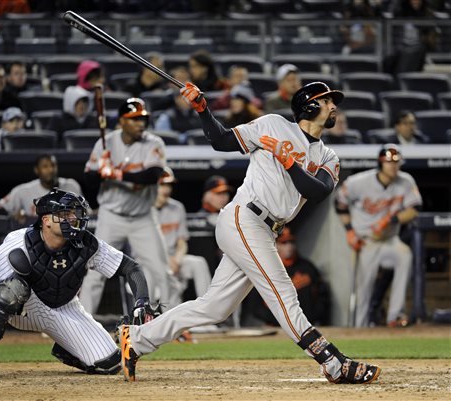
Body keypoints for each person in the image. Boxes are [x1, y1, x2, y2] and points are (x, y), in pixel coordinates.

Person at [117, 80, 381, 384]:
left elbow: (317, 190)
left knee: (214, 308)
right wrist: (203, 108)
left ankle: (137, 339)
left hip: (266, 230)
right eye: (327, 101)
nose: (334, 106)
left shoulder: (327, 156)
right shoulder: (273, 124)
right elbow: (222, 140)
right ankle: (333, 362)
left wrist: (290, 163)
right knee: (284, 293)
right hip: (245, 217)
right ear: (309, 106)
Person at [0, 188, 154, 377]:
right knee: (11, 289)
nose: (72, 218)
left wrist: (142, 300)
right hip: (27, 305)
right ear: (46, 220)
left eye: (75, 213)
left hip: (66, 307)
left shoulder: (87, 243)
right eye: (65, 214)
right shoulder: (21, 239)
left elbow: (131, 268)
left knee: (110, 363)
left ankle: (66, 345)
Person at [80, 97, 171, 315]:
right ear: (122, 121)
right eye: (135, 119)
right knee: (95, 271)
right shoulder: (106, 143)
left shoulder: (154, 143)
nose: (141, 123)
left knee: (161, 271)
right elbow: (88, 180)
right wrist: (100, 172)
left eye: (143, 119)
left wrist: (117, 173)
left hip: (143, 217)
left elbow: (153, 175)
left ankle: (172, 322)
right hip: (111, 216)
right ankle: (79, 324)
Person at [335, 144, 422, 328]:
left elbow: (415, 209)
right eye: (389, 163)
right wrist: (350, 231)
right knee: (363, 289)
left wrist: (390, 220)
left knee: (404, 255)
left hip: (389, 240)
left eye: (396, 163)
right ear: (380, 163)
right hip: (365, 241)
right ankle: (361, 327)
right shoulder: (358, 182)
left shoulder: (405, 181)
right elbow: (340, 203)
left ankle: (395, 315)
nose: (393, 166)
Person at [241, 227, 330, 327]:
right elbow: (254, 304)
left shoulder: (308, 267)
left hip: (306, 325)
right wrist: (276, 320)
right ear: (275, 245)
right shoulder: (265, 269)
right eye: (284, 243)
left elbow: (322, 296)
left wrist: (312, 317)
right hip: (275, 326)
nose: (289, 246)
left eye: (291, 242)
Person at [155, 167, 212, 308]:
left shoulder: (177, 208)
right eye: (162, 184)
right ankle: (171, 320)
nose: (166, 189)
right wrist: (167, 261)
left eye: (169, 185)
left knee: (198, 263)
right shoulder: (141, 208)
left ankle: (207, 312)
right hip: (150, 262)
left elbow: (182, 242)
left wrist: (177, 259)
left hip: (174, 259)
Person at [0, 154, 82, 221]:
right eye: (45, 167)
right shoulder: (22, 190)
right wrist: (14, 215)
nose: (50, 170)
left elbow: (84, 212)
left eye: (53, 165)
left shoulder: (71, 186)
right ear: (37, 170)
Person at [153, 66, 202, 134]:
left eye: (186, 79)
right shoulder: (166, 116)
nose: (183, 82)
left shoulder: (199, 115)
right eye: (180, 78)